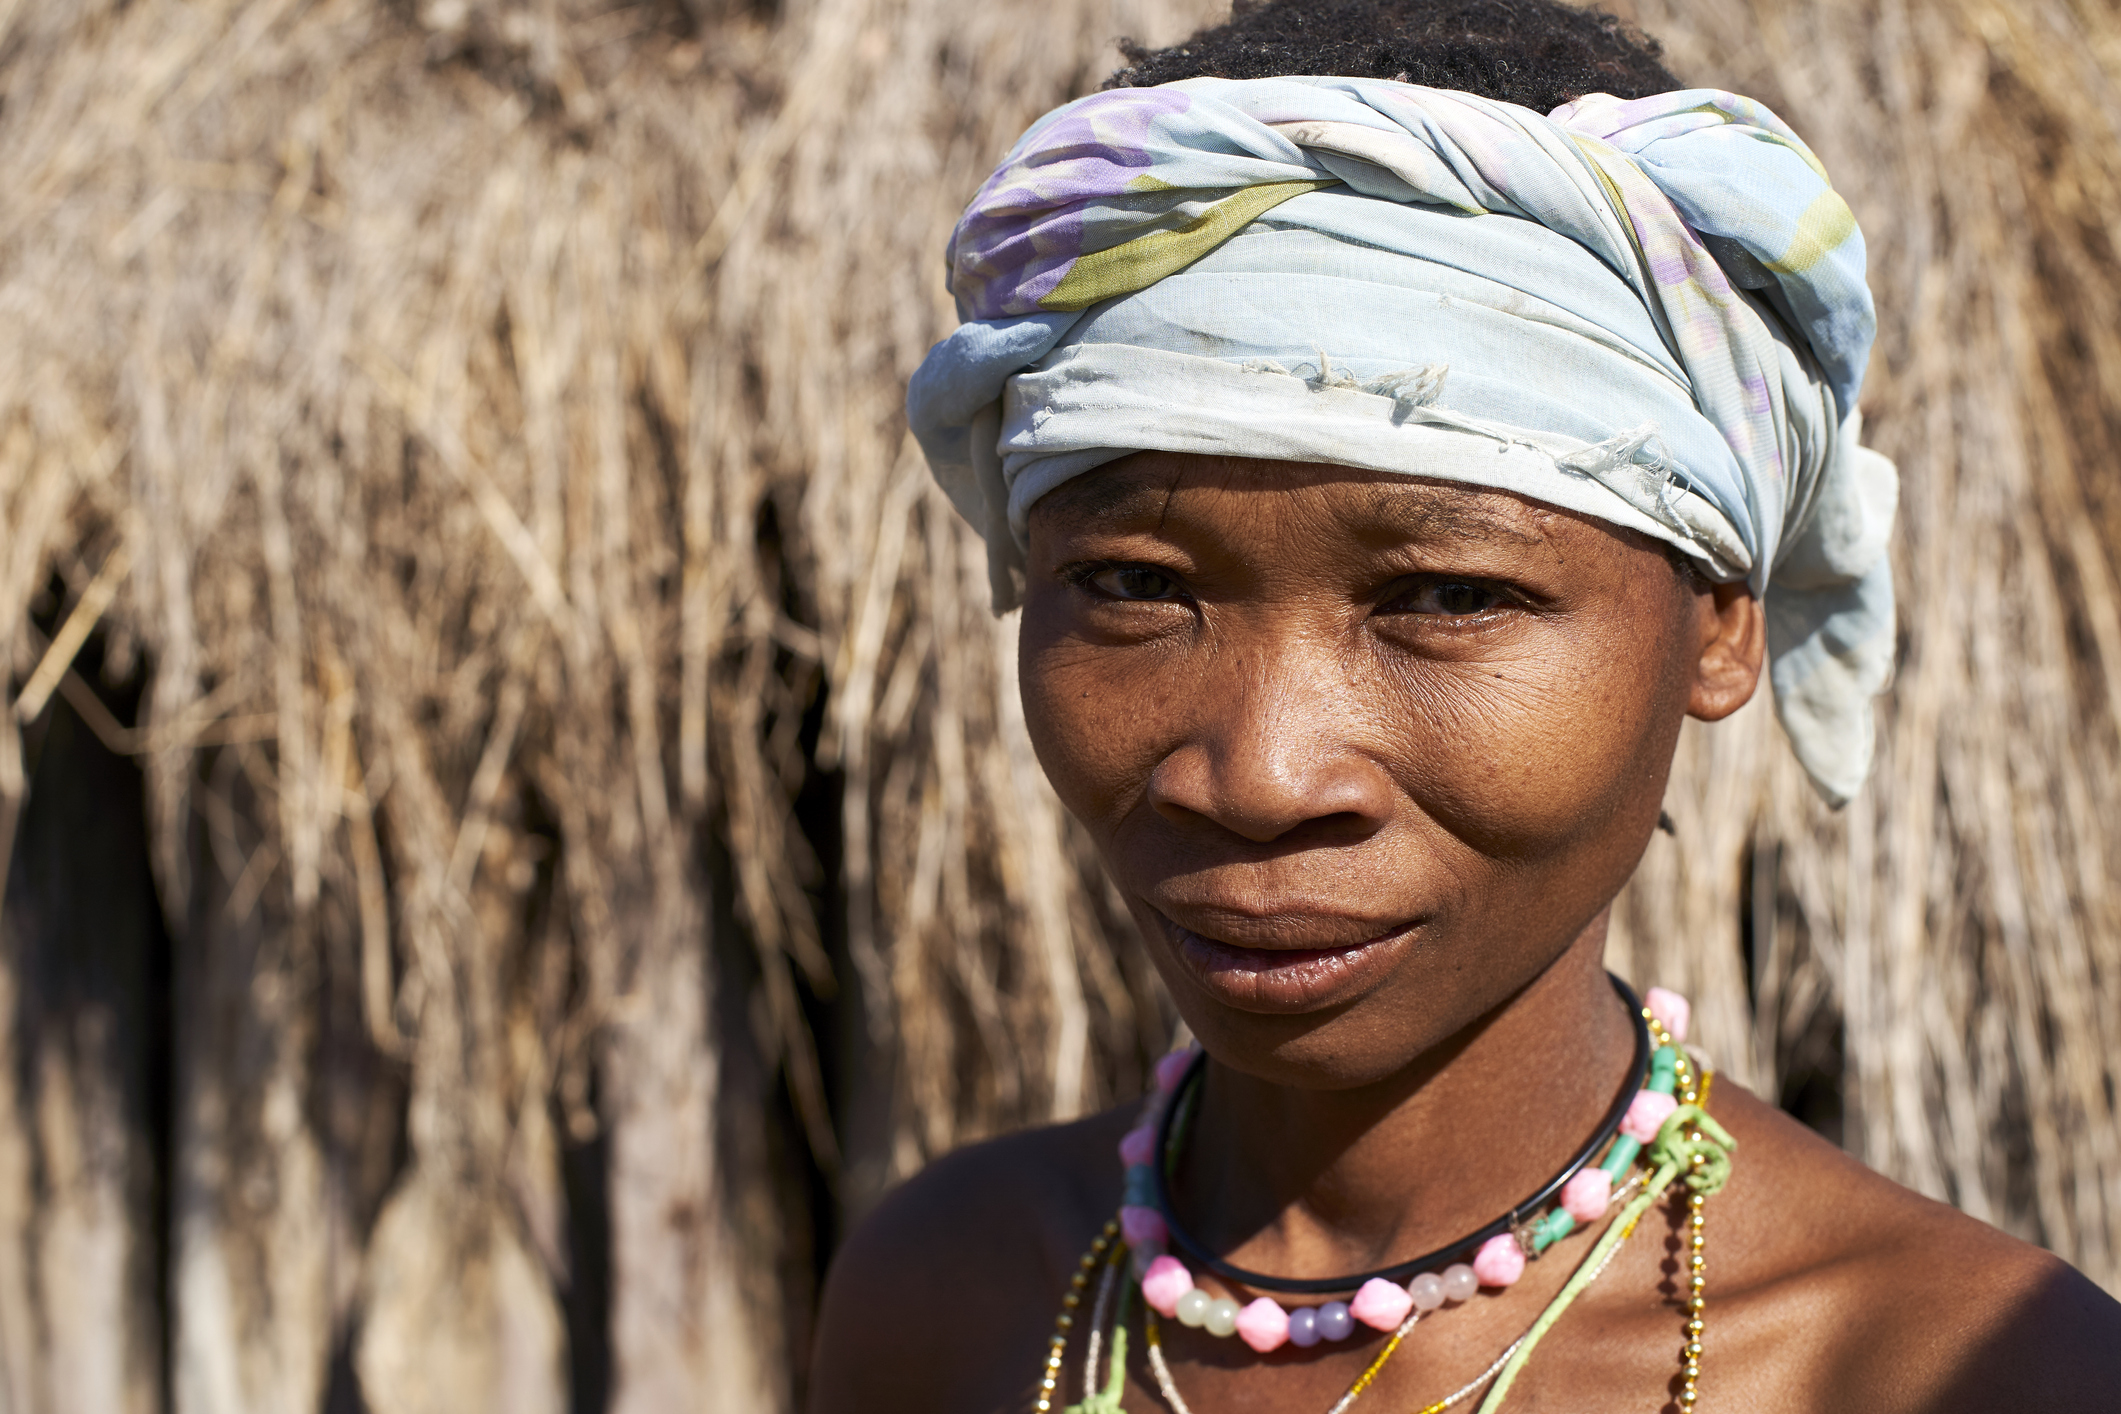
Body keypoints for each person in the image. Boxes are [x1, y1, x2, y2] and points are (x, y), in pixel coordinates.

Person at [808, 2, 2121, 1409]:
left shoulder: (1954, 1369)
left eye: (1444, 599)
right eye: (1133, 581)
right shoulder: (949, 1295)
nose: (1259, 771)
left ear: (1719, 625)